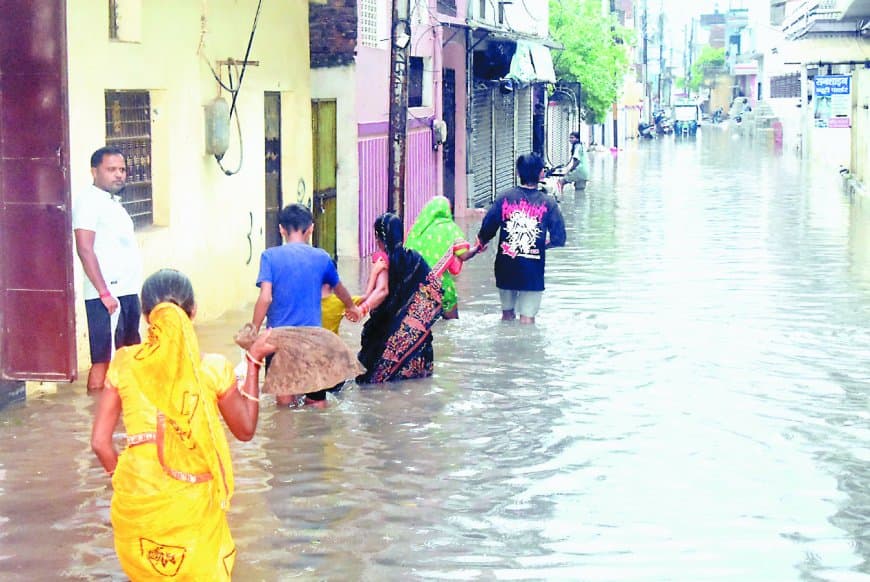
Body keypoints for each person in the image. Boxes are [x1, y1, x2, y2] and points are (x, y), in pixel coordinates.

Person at [90, 268, 276, 580]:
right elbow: (245, 431)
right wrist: (254, 362)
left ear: (147, 316)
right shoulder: (212, 369)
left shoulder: (123, 362)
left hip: (135, 504)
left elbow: (99, 443)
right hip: (191, 507)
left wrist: (125, 480)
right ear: (193, 312)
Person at [251, 203, 361, 406]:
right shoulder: (322, 257)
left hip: (279, 340)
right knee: (317, 404)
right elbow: (340, 289)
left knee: (284, 409)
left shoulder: (269, 257)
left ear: (281, 229)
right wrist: (351, 307)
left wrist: (254, 330)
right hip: (313, 340)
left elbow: (265, 298)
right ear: (311, 229)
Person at [73, 146, 143, 391]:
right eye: (111, 169)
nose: (119, 175)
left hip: (127, 291)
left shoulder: (114, 203)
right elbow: (84, 248)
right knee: (102, 361)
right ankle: (95, 418)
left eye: (122, 169)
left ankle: (122, 419)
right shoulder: (88, 201)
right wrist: (103, 292)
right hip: (106, 296)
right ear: (94, 172)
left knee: (129, 355)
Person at [356, 213, 454, 384]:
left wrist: (361, 309)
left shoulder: (382, 259)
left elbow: (381, 292)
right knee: (416, 390)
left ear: (380, 238)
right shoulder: (414, 259)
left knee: (375, 385)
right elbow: (436, 289)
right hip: (417, 349)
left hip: (387, 344)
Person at [476, 153, 567, 325]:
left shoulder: (504, 198)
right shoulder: (549, 203)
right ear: (541, 173)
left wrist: (480, 242)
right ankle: (525, 350)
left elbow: (487, 229)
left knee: (507, 315)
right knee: (527, 319)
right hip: (532, 270)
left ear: (518, 173)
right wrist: (542, 245)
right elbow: (559, 237)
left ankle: (505, 350)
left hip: (505, 266)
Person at [405, 196, 479, 319]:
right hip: (440, 284)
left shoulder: (417, 229)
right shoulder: (449, 227)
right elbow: (463, 254)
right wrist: (477, 248)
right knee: (451, 322)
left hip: (415, 285)